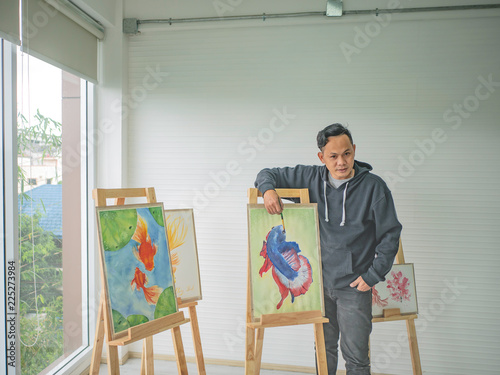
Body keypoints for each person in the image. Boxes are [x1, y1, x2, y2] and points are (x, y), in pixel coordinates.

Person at [254, 123, 402, 374]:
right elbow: (266, 173)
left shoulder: (374, 187)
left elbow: (390, 235)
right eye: (333, 156)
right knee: (324, 352)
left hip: (354, 287)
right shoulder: (310, 178)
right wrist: (267, 191)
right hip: (319, 287)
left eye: (346, 153)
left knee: (356, 358)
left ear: (354, 150)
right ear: (322, 157)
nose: (341, 162)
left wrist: (372, 276)